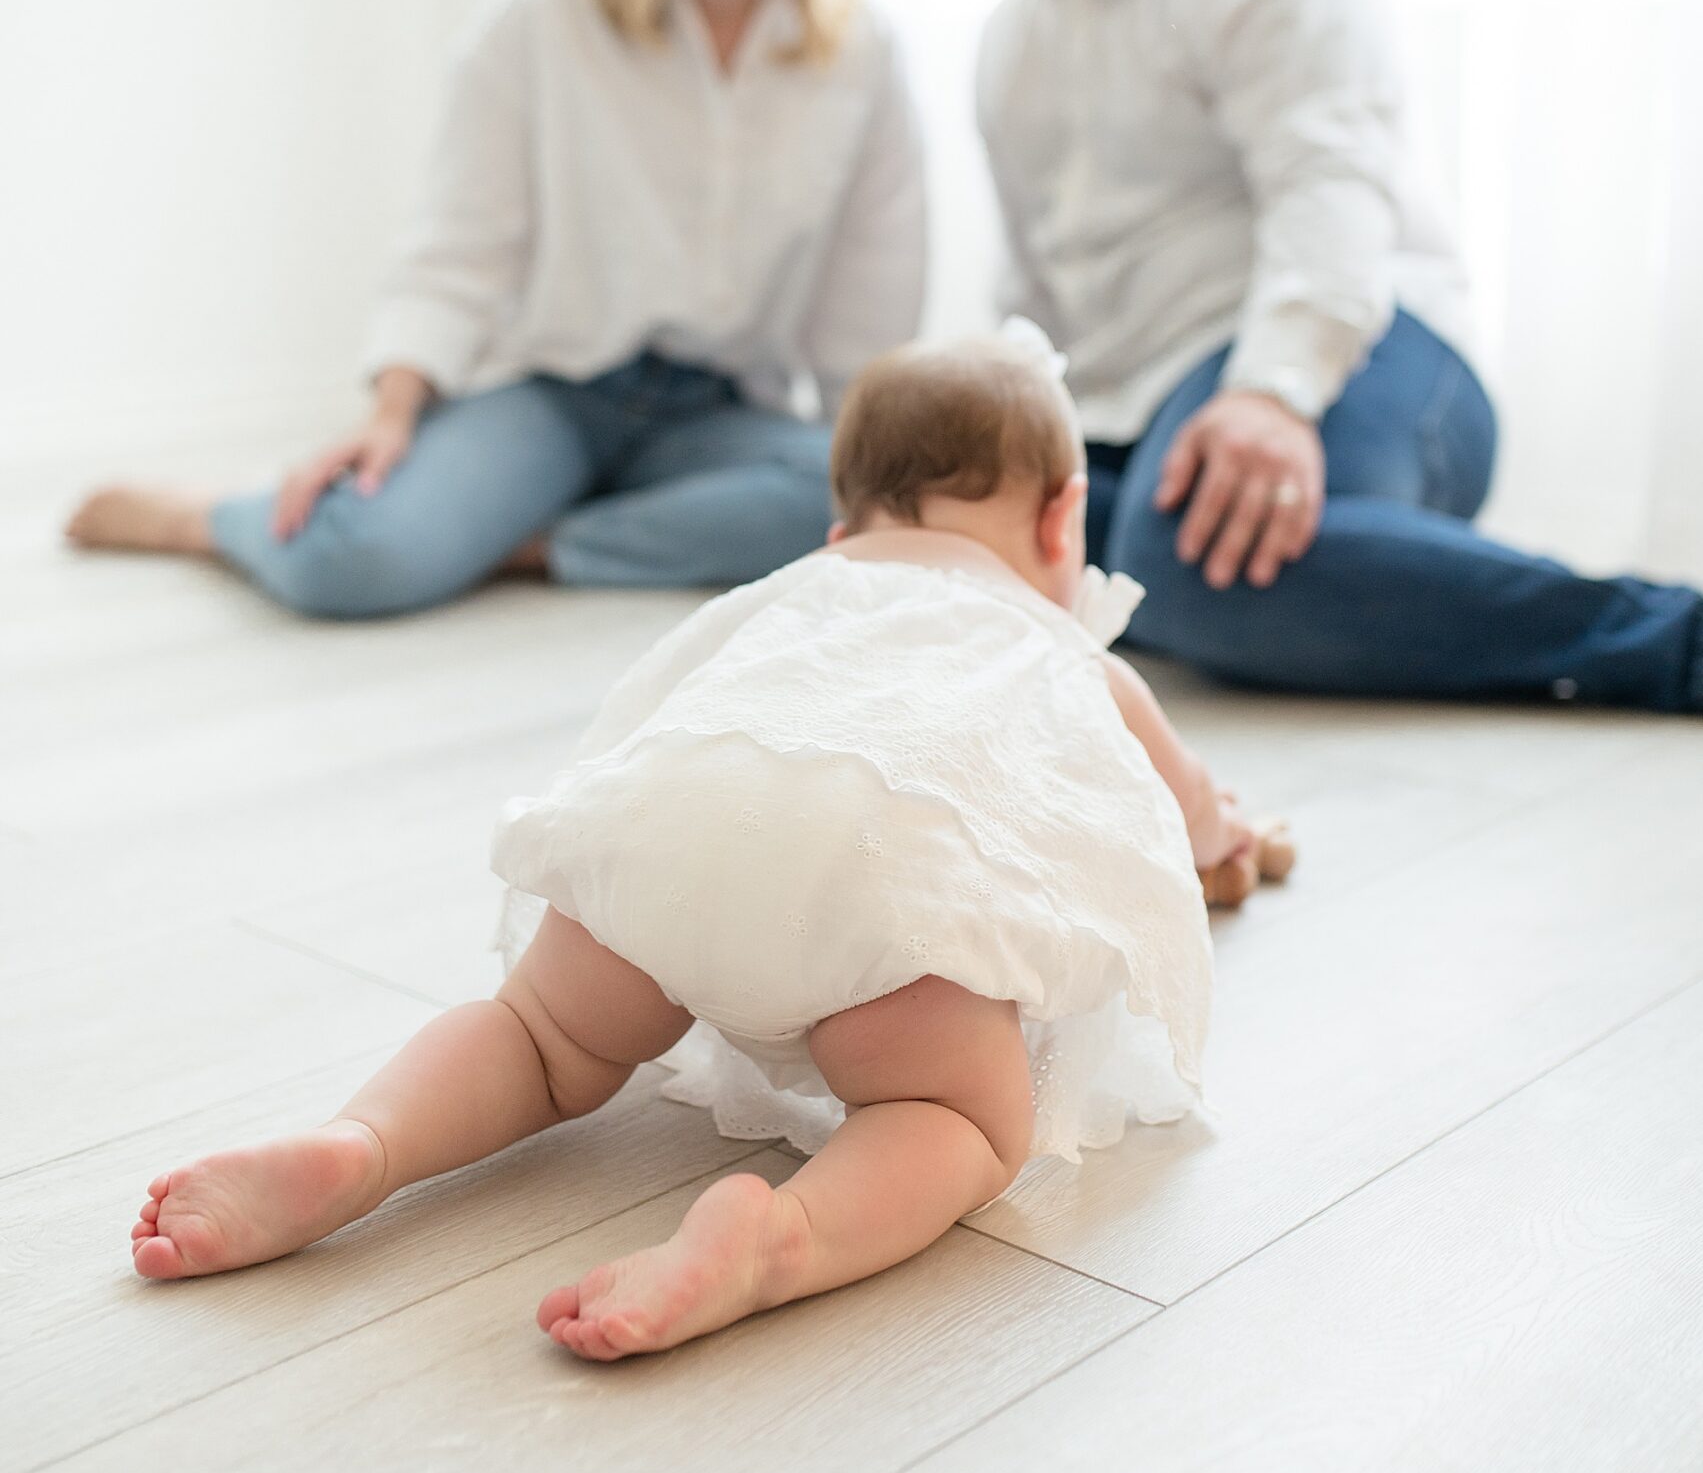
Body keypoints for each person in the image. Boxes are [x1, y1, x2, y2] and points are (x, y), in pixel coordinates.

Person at [128, 326, 1280, 1361]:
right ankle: (778, 1234)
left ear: (843, 527)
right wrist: (1229, 836)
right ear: (1060, 521)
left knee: (535, 1038)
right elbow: (1187, 817)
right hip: (880, 891)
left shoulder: (797, 588)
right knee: (958, 1120)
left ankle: (361, 1144)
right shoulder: (1063, 641)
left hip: (670, 835)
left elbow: (653, 702)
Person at [960, 0, 1703, 711]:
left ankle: (1673, 641)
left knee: (1174, 562)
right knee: (956, 536)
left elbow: (1329, 195)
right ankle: (1340, 555)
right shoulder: (1007, 41)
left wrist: (1270, 394)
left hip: (1358, 350)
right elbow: (1033, 289)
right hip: (1138, 404)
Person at [68, 0, 925, 614]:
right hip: (548, 397)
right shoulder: (546, 24)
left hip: (716, 417)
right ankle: (212, 518)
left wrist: (873, 480)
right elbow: (459, 248)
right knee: (356, 560)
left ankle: (528, 544)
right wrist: (392, 416)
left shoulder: (862, 56)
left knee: (882, 515)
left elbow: (866, 315)